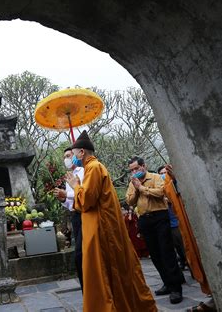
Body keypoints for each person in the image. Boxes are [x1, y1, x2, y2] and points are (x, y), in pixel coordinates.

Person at [66, 131, 156, 311]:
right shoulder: (92, 168)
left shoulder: (94, 167)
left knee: (102, 273)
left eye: (73, 154)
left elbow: (87, 200)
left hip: (101, 230)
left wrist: (76, 186)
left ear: (82, 152)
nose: (72, 159)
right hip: (98, 226)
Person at [126, 156, 184, 304]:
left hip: (160, 217)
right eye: (132, 170)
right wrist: (136, 189)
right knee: (155, 254)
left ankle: (176, 288)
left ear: (144, 166)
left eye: (136, 168)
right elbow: (129, 200)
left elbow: (160, 192)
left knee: (167, 252)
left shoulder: (156, 177)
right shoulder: (133, 182)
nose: (134, 171)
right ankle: (167, 282)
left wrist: (141, 188)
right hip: (145, 219)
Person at [162, 164, 216, 312]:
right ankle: (214, 295)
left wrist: (178, 178)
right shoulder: (168, 177)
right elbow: (168, 192)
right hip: (185, 223)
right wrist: (174, 180)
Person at [54, 147, 84, 288]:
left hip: (84, 213)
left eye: (69, 155)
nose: (66, 159)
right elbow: (70, 202)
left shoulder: (83, 171)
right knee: (79, 253)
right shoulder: (69, 176)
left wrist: (67, 194)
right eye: (64, 157)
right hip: (75, 215)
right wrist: (62, 198)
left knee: (80, 253)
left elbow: (84, 193)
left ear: (76, 155)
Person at [158, 166, 187, 270]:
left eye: (165, 172)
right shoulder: (160, 187)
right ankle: (183, 262)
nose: (163, 175)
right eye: (161, 173)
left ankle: (189, 263)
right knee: (177, 246)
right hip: (168, 222)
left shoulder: (173, 183)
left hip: (178, 220)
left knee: (184, 244)